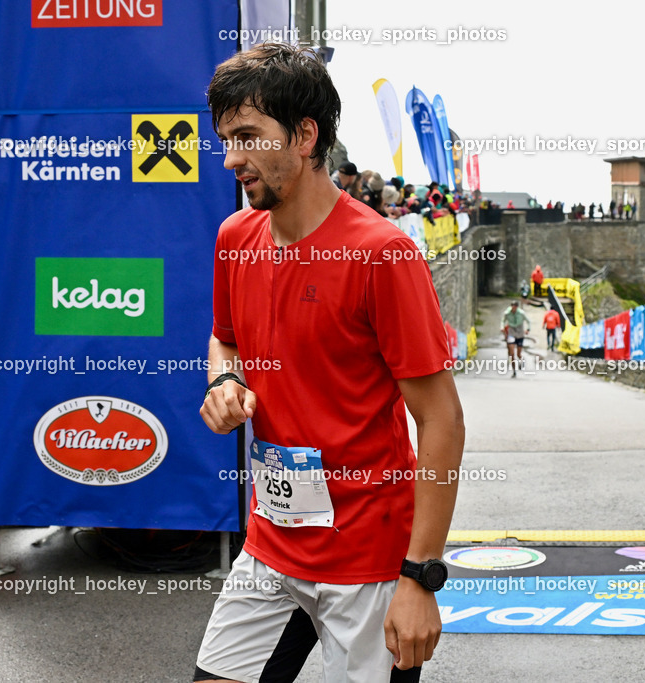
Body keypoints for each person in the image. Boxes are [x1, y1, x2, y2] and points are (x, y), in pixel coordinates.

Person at [196, 43, 465, 682]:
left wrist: (421, 577)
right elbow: (224, 339)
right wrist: (225, 379)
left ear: (305, 135)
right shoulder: (235, 239)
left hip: (369, 564)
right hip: (270, 547)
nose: (232, 158)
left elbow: (441, 419)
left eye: (248, 137)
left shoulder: (382, 255)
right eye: (226, 140)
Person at [501, 300, 532, 378]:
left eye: (515, 306)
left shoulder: (521, 313)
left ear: (517, 307)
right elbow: (503, 320)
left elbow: (528, 321)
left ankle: (521, 360)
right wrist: (502, 327)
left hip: (520, 333)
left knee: (518, 354)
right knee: (512, 354)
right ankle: (514, 370)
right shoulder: (507, 313)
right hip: (511, 333)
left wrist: (528, 329)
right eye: (512, 306)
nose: (513, 308)